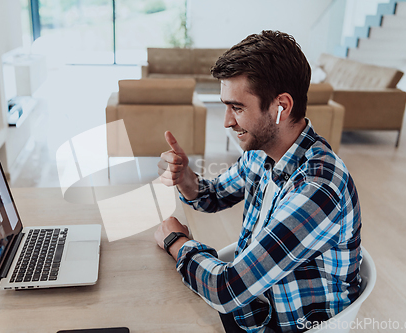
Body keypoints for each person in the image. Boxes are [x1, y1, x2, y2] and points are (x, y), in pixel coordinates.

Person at [154, 30, 362, 333]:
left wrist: (176, 241)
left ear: (281, 107)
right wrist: (186, 178)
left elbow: (226, 290)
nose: (226, 121)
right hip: (256, 306)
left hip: (280, 324)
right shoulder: (262, 153)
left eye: (237, 108)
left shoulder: (318, 188)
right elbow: (214, 196)